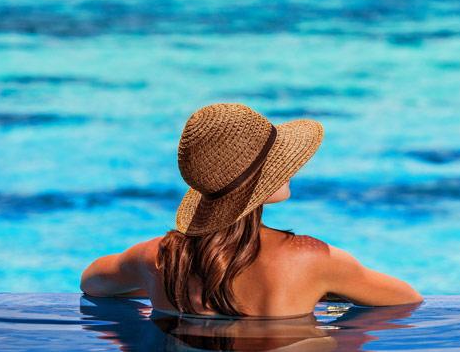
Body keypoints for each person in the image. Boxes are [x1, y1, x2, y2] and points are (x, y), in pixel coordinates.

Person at [80, 102, 423, 316]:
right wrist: (324, 291)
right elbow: (405, 299)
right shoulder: (313, 260)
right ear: (262, 184)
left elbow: (92, 283)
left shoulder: (155, 259)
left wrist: (156, 286)